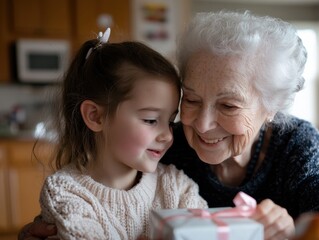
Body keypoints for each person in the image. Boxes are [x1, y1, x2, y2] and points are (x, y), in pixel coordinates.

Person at [19, 11, 319, 240]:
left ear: (270, 107)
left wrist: (296, 230)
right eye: (192, 99)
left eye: (228, 104)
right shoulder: (167, 147)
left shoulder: (296, 145)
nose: (201, 123)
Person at [22, 28, 208, 240]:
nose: (167, 135)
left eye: (170, 121)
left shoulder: (176, 186)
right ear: (95, 117)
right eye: (150, 120)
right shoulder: (64, 192)